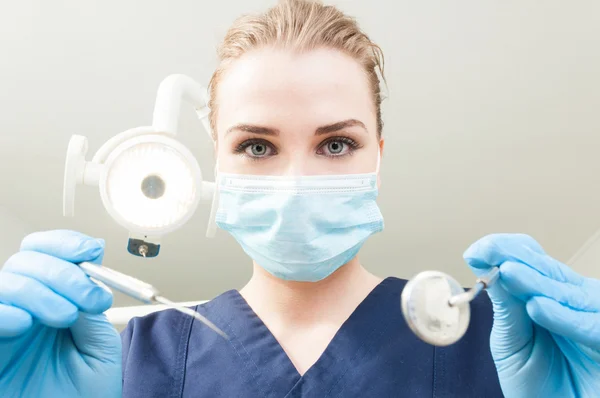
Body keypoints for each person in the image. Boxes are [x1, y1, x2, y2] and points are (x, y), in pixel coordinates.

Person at [1, 0, 599, 397]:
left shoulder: (504, 348)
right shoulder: (121, 361)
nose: (295, 181)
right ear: (217, 162)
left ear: (378, 158)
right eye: (257, 147)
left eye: (336, 144)